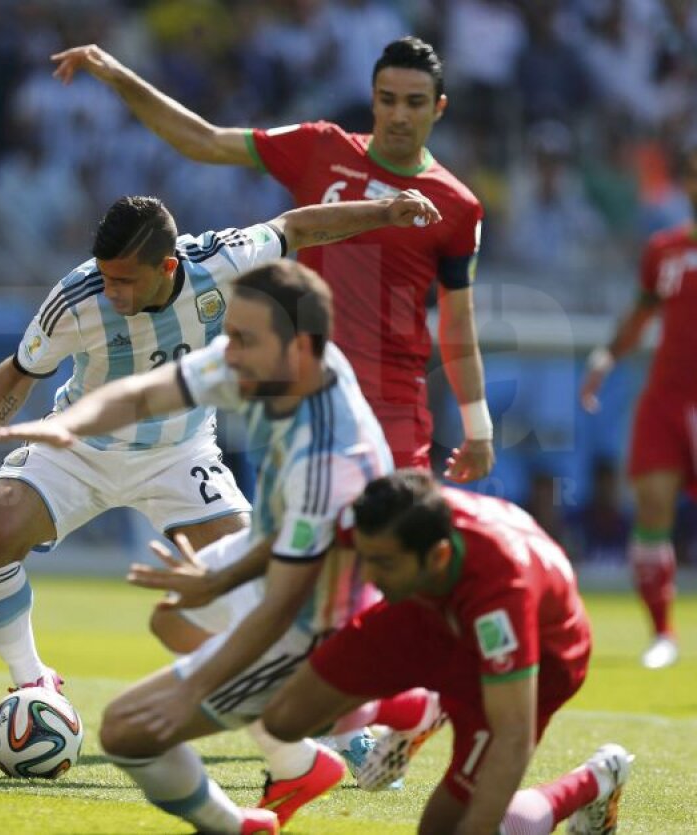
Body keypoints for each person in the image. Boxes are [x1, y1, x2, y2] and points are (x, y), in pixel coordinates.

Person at [0, 189, 439, 702]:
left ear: (167, 266)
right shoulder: (76, 298)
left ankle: (335, 723)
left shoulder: (221, 260)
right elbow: (20, 372)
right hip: (82, 446)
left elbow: (297, 226)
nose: (110, 291)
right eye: (106, 276)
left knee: (264, 585)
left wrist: (383, 212)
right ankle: (32, 680)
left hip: (181, 454)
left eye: (125, 281)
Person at [0, 259, 434, 834]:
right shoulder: (268, 360)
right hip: (282, 545)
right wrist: (71, 424)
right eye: (229, 334)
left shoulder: (332, 459)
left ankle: (291, 762)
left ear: (299, 348)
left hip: (315, 615)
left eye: (242, 340)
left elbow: (280, 606)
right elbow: (147, 392)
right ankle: (379, 714)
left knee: (131, 730)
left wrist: (196, 690)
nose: (228, 352)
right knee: (175, 622)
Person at [51, 36, 494, 481]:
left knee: (392, 542)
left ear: (438, 108)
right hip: (303, 391)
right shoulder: (321, 148)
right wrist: (118, 76)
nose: (399, 115)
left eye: (414, 103)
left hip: (395, 402)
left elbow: (458, 322)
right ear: (373, 100)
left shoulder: (458, 205)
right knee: (303, 543)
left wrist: (479, 430)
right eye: (388, 100)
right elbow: (204, 141)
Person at [260, 471, 632, 835]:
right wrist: (216, 584)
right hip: (431, 604)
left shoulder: (500, 596)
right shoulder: (398, 522)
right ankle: (414, 710)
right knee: (285, 715)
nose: (368, 578)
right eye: (365, 558)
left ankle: (593, 781)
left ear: (437, 556)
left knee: (449, 829)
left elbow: (512, 735)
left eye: (382, 563)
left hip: (542, 658)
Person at [579, 143, 697, 670]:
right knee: (651, 501)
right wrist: (606, 358)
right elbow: (641, 312)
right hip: (667, 396)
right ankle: (663, 634)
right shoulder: (664, 249)